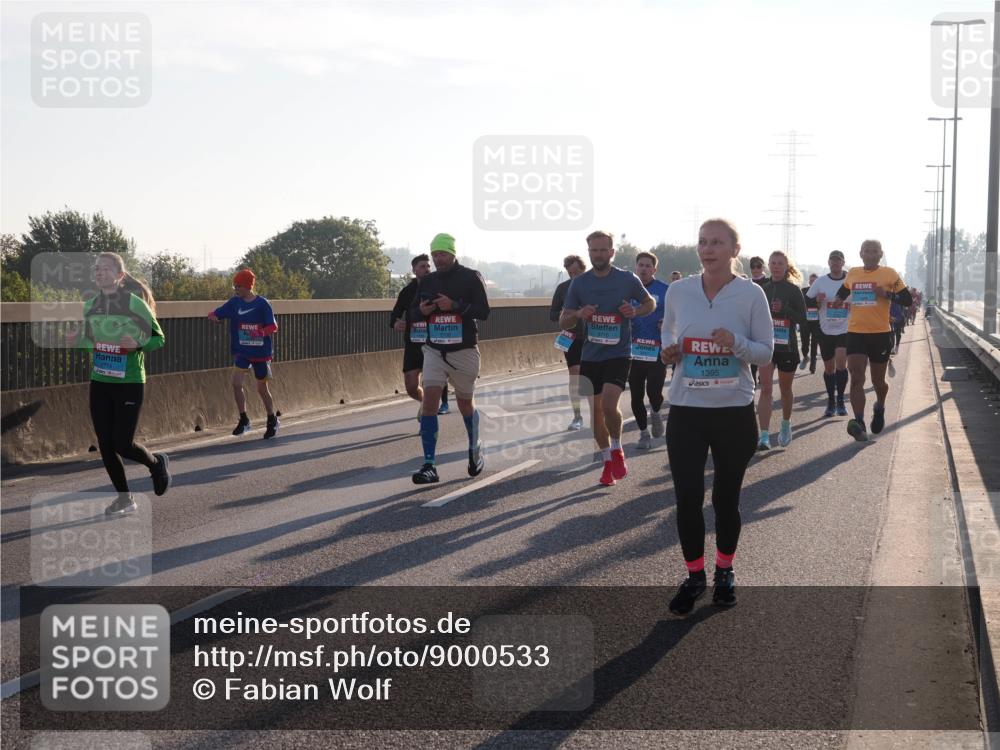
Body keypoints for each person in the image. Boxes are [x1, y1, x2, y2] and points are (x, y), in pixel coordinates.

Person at [660, 219, 773, 614]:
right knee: (687, 498)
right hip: (687, 411)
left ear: (734, 250)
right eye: (702, 242)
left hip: (733, 413)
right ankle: (694, 576)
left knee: (726, 500)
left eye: (717, 242)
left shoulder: (751, 294)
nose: (708, 249)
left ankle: (724, 570)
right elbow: (667, 334)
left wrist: (737, 343)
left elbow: (765, 351)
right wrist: (669, 352)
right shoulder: (678, 290)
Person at [69, 252, 171, 516]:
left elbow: (158, 339)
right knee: (105, 442)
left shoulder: (134, 304)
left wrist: (138, 344)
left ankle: (156, 463)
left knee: (122, 444)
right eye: (97, 269)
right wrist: (76, 340)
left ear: (120, 276)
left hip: (129, 382)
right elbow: (90, 341)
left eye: (105, 269)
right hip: (100, 380)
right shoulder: (90, 305)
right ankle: (125, 498)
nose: (100, 272)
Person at [560, 230, 655, 486]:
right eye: (594, 250)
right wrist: (579, 313)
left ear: (612, 252)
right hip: (591, 355)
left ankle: (617, 448)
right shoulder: (579, 284)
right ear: (588, 252)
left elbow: (650, 304)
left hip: (619, 353)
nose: (598, 255)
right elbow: (563, 319)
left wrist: (634, 310)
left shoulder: (627, 279)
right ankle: (606, 461)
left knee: (610, 406)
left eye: (603, 250)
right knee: (596, 413)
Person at [409, 233, 490, 484]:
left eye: (442, 254)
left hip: (464, 350)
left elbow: (483, 312)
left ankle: (474, 446)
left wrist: (454, 305)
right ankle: (429, 464)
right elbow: (412, 312)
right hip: (434, 350)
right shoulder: (428, 281)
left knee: (465, 404)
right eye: (434, 255)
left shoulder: (470, 277)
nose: (437, 259)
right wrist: (421, 311)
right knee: (430, 401)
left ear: (452, 253)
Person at [836, 239, 913, 441]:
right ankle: (859, 421)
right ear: (860, 253)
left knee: (878, 381)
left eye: (874, 251)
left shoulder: (889, 274)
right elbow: (842, 292)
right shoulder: (852, 273)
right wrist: (838, 300)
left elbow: (907, 300)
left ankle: (879, 406)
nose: (870, 254)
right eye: (866, 251)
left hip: (880, 333)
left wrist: (886, 294)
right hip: (856, 333)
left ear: (880, 254)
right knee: (856, 376)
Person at [208, 269, 280, 439]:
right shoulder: (234, 303)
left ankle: (272, 419)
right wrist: (214, 318)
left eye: (238, 286)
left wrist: (259, 333)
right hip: (242, 352)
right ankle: (244, 420)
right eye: (234, 286)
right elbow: (214, 314)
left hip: (261, 353)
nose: (236, 289)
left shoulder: (262, 304)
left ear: (248, 286)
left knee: (262, 388)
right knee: (235, 383)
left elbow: (273, 327)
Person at [756, 252, 807, 449]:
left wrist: (785, 308)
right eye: (773, 263)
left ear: (786, 266)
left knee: (785, 390)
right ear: (768, 265)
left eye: (780, 263)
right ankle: (764, 435)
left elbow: (803, 320)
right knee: (766, 389)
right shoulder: (762, 288)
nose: (776, 266)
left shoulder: (793, 290)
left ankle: (786, 424)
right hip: (766, 345)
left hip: (787, 346)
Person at [390, 254, 449, 420]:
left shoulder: (439, 289)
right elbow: (395, 314)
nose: (427, 269)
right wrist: (395, 323)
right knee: (410, 386)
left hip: (434, 342)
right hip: (413, 343)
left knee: (434, 379)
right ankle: (426, 403)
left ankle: (435, 407)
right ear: (414, 270)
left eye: (428, 266)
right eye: (422, 266)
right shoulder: (407, 292)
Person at [627, 252, 669, 450]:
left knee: (654, 391)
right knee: (636, 394)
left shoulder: (665, 290)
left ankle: (656, 410)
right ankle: (643, 434)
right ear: (636, 268)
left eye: (647, 266)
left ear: (654, 269)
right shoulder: (628, 289)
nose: (643, 269)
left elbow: (676, 315)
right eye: (640, 265)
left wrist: (667, 324)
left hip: (656, 349)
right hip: (633, 350)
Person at [806, 250, 851, 417]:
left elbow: (860, 300)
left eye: (838, 260)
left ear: (843, 262)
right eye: (832, 260)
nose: (835, 263)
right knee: (829, 368)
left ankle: (840, 401)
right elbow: (807, 299)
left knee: (841, 364)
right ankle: (831, 400)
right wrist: (817, 300)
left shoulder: (849, 280)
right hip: (825, 329)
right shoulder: (821, 281)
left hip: (844, 329)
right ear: (828, 263)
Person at [549, 254, 587, 430]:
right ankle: (577, 416)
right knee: (575, 375)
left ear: (583, 269)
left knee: (593, 376)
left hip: (592, 337)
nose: (574, 277)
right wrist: (566, 314)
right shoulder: (563, 289)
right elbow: (552, 314)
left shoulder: (593, 286)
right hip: (571, 337)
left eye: (577, 272)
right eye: (570, 273)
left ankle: (598, 411)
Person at [799, 273, 820, 372]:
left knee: (815, 343)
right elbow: (802, 303)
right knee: (804, 344)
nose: (813, 283)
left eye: (815, 282)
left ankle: (813, 363)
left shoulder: (821, 293)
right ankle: (805, 356)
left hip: (817, 322)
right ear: (809, 281)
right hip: (805, 322)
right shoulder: (803, 291)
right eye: (811, 281)